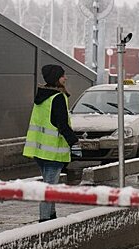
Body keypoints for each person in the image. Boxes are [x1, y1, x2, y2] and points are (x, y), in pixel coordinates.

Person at [23, 64, 79, 222]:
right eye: (63, 76)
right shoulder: (57, 98)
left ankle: (52, 218)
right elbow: (61, 124)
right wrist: (74, 142)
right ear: (56, 78)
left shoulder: (41, 96)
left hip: (39, 151)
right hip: (53, 152)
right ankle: (45, 221)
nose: (65, 78)